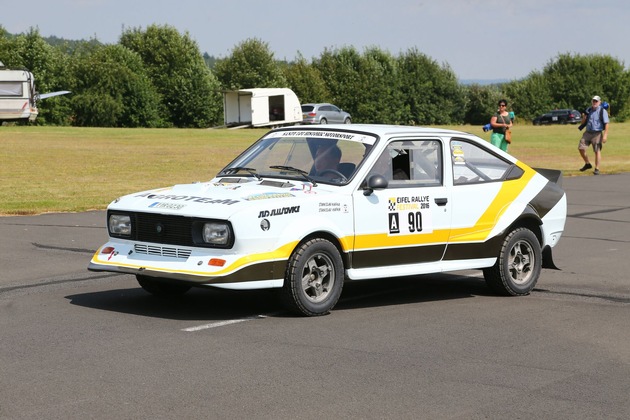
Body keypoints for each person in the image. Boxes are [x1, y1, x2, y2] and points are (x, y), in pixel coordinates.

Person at [578, 95, 609, 175]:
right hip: (588, 132)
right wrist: (584, 116)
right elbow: (582, 123)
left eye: (596, 101)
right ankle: (587, 164)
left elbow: (606, 124)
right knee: (581, 148)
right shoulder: (588, 110)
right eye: (593, 101)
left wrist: (605, 135)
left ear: (599, 102)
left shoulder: (602, 111)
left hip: (597, 133)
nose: (594, 102)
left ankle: (597, 168)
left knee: (597, 150)